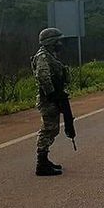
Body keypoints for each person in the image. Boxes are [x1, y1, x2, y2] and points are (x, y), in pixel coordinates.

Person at [31, 27, 70, 176]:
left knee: (53, 129)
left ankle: (45, 160)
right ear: (51, 42)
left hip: (53, 97)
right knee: (48, 129)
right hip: (48, 99)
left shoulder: (49, 56)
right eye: (58, 40)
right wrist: (52, 94)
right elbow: (43, 76)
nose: (60, 43)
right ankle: (41, 164)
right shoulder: (43, 57)